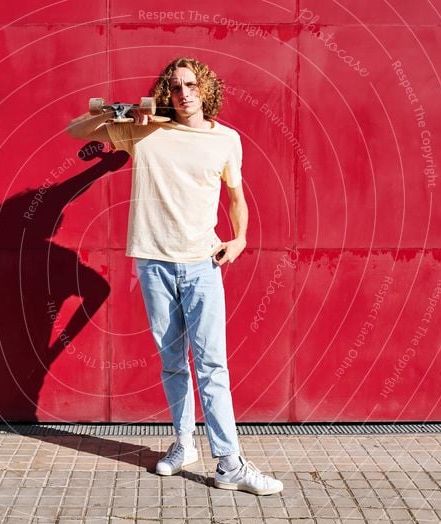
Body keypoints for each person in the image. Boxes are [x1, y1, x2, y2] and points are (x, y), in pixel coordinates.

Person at [66, 56, 283, 495]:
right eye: (176, 86)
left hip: (203, 264)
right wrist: (120, 112)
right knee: (171, 363)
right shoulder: (145, 131)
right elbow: (76, 130)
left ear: (205, 90)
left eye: (191, 85)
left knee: (211, 365)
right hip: (153, 263)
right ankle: (183, 445)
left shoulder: (225, 140)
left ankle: (228, 463)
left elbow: (236, 196)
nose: (184, 93)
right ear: (167, 92)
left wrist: (239, 238)